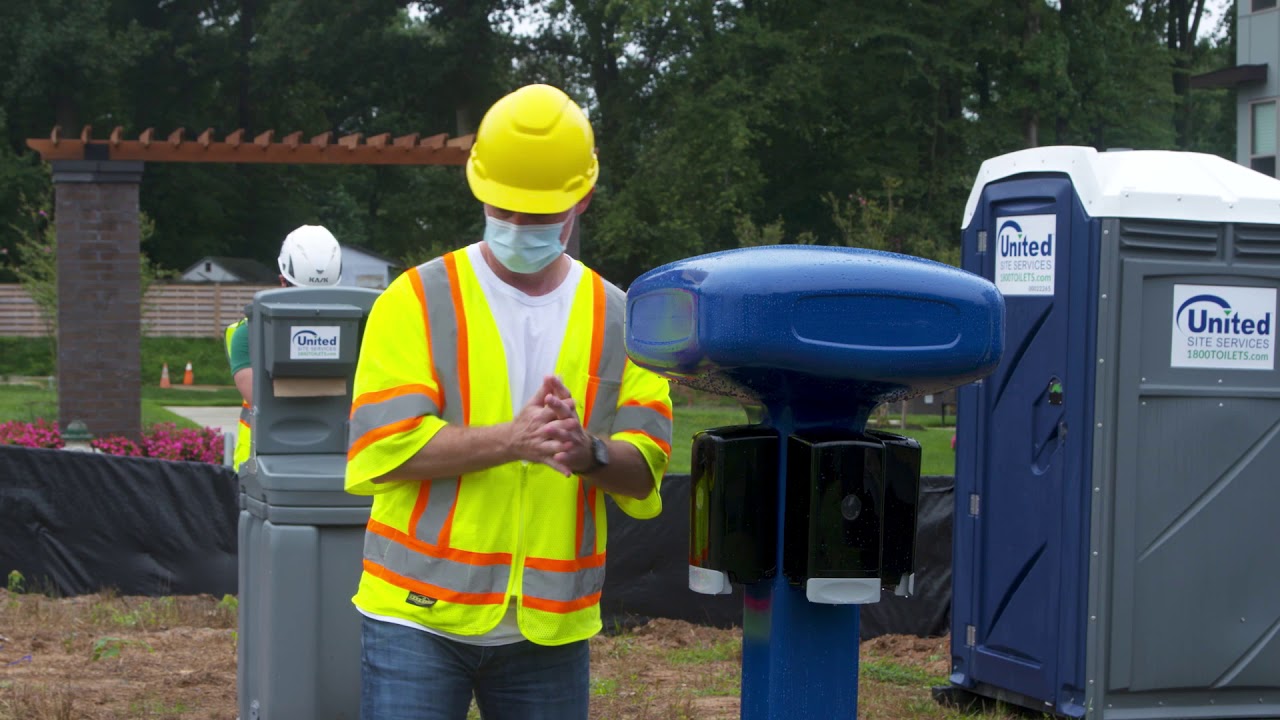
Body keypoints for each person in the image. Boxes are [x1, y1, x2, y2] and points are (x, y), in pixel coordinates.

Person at [344, 83, 673, 720]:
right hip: (417, 615)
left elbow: (647, 470)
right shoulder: (415, 300)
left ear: (583, 198)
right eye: (505, 209)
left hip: (549, 628)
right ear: (479, 189)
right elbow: (381, 450)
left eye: (538, 213)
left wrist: (588, 453)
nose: (518, 226)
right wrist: (512, 440)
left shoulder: (623, 319)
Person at [224, 225, 343, 470]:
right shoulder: (249, 333)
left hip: (274, 469)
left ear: (282, 280)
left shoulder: (246, 334)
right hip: (265, 469)